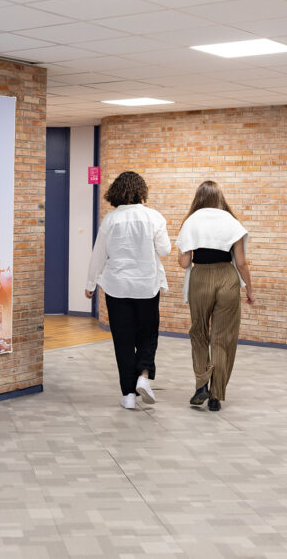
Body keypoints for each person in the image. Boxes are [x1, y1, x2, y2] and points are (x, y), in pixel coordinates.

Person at [85, 171, 171, 410]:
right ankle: (144, 375)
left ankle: (129, 395)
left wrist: (90, 284)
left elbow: (98, 254)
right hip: (146, 286)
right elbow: (165, 250)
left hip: (117, 287)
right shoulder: (154, 217)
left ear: (116, 192)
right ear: (141, 191)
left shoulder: (110, 219)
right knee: (148, 334)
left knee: (122, 341)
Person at [175, 180, 254, 412]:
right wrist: (249, 288)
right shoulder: (231, 221)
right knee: (223, 337)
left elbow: (184, 263)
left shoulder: (191, 221)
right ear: (219, 197)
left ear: (198, 198)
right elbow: (241, 262)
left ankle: (201, 386)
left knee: (199, 332)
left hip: (200, 278)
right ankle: (216, 395)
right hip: (227, 278)